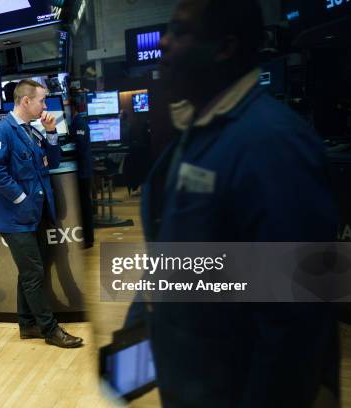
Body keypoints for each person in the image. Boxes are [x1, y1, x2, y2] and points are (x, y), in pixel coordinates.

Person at [125, 0, 340, 406]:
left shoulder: (273, 144)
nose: (164, 43)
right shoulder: (200, 132)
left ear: (224, 47)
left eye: (181, 31)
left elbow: (296, 325)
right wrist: (127, 367)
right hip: (190, 384)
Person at [0, 79, 83, 348]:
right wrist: (22, 198)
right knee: (34, 273)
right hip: (16, 219)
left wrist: (51, 132)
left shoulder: (31, 130)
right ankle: (50, 330)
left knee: (29, 273)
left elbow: (55, 161)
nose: (45, 105)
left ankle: (27, 325)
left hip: (33, 215)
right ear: (25, 101)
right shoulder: (3, 131)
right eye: (41, 100)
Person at [69, 96, 94, 248]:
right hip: (82, 171)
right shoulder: (75, 122)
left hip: (83, 172)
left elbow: (79, 147)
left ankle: (88, 239)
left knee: (85, 206)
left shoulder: (79, 123)